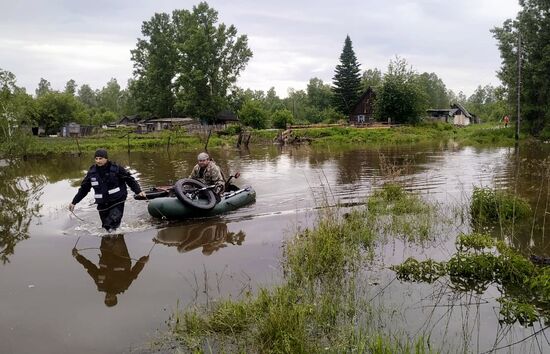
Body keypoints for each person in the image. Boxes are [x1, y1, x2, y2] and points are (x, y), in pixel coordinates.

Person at [69, 149, 146, 232]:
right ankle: (113, 239)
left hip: (117, 200)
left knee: (110, 226)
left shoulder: (116, 168)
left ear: (106, 158)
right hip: (102, 203)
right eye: (96, 158)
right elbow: (84, 189)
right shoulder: (92, 172)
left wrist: (138, 191)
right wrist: (74, 202)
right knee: (105, 227)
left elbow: (130, 180)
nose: (98, 161)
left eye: (100, 158)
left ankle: (114, 242)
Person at [72, 234, 148, 307]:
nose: (107, 297)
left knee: (106, 235)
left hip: (106, 255)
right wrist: (142, 262)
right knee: (117, 238)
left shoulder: (101, 285)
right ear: (115, 298)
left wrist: (77, 256)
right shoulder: (123, 286)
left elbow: (90, 267)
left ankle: (108, 232)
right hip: (121, 257)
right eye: (110, 299)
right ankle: (117, 233)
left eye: (106, 299)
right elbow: (134, 272)